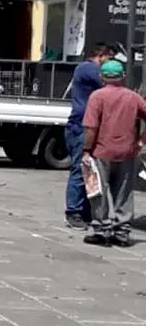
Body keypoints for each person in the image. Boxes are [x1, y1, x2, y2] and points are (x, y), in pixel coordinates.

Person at [80, 60, 146, 247]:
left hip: (101, 151)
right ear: (122, 76)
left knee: (98, 191)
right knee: (124, 193)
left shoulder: (97, 97)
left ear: (102, 77)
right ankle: (122, 232)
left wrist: (86, 150)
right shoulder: (133, 97)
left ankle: (101, 230)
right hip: (127, 152)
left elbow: (91, 128)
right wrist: (141, 141)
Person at [65, 43, 113, 229]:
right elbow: (108, 81)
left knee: (88, 170)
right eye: (110, 58)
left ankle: (84, 211)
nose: (110, 64)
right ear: (101, 55)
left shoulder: (86, 69)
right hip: (81, 126)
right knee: (80, 169)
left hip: (85, 125)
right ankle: (73, 212)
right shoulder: (88, 68)